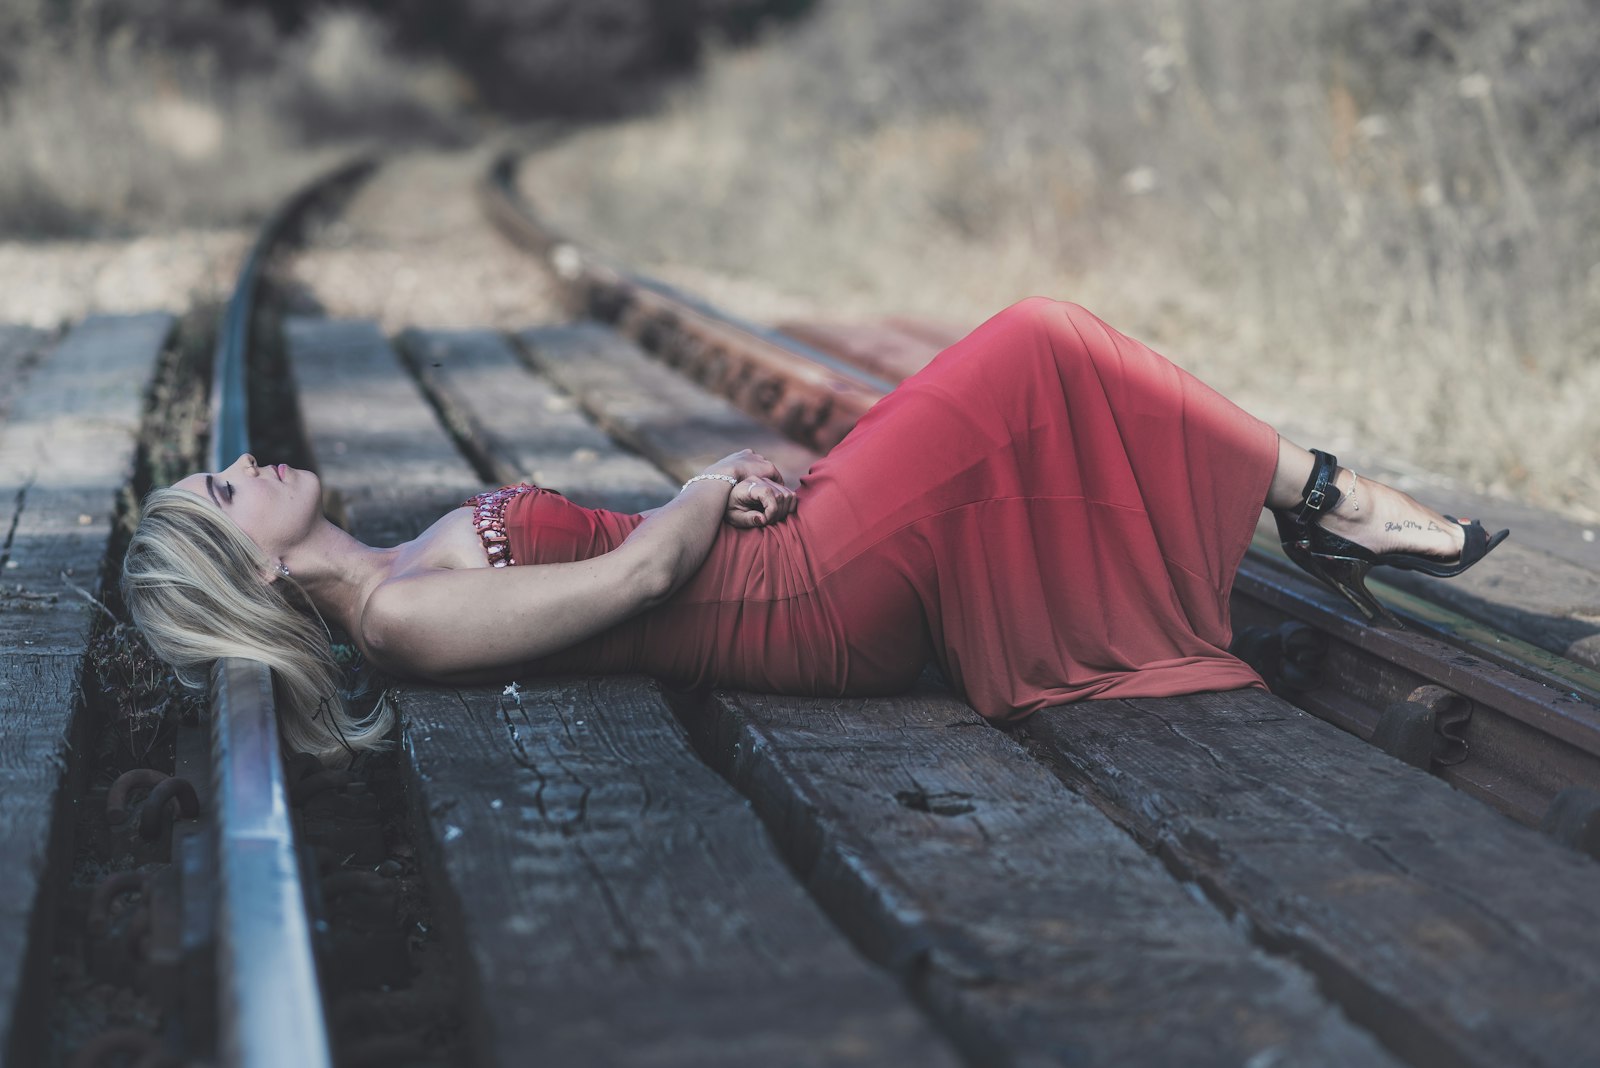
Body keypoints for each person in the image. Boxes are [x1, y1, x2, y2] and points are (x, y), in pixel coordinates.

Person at [120, 298, 1507, 765]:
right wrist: (707, 493)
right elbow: (649, 578)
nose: (247, 462)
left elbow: (647, 558)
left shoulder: (399, 566)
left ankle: (1316, 501)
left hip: (787, 555)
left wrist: (718, 490)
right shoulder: (403, 617)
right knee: (1039, 341)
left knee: (1027, 363)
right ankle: (1331, 499)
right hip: (805, 601)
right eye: (228, 490)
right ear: (251, 569)